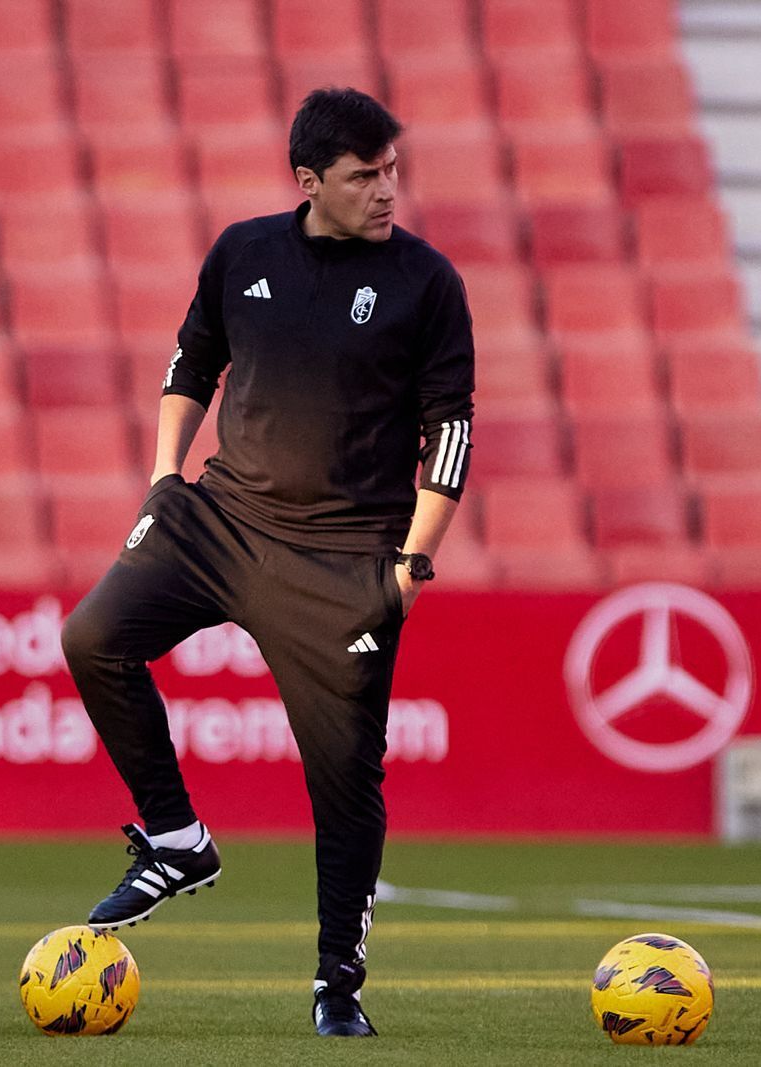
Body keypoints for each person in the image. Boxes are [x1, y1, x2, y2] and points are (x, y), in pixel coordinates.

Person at [61, 87, 475, 1038]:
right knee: (92, 638)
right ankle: (175, 835)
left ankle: (338, 984)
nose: (386, 191)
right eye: (364, 176)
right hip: (221, 520)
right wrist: (166, 477)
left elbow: (449, 430)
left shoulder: (427, 281)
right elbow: (189, 365)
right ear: (309, 182)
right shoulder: (242, 252)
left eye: (392, 171)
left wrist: (410, 568)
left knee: (342, 781)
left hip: (343, 562)